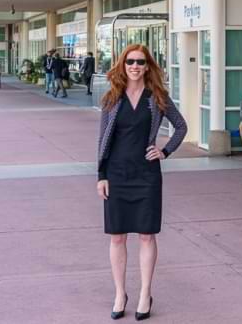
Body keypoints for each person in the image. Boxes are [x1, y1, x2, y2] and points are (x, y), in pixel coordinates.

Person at [97, 44, 187, 320]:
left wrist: (165, 150)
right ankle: (119, 293)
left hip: (147, 174)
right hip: (116, 174)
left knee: (147, 235)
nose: (134, 66)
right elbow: (102, 140)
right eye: (130, 62)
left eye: (140, 62)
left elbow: (181, 126)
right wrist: (101, 176)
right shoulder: (112, 98)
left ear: (148, 66)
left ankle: (145, 293)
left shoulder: (157, 97)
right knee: (117, 236)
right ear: (122, 65)